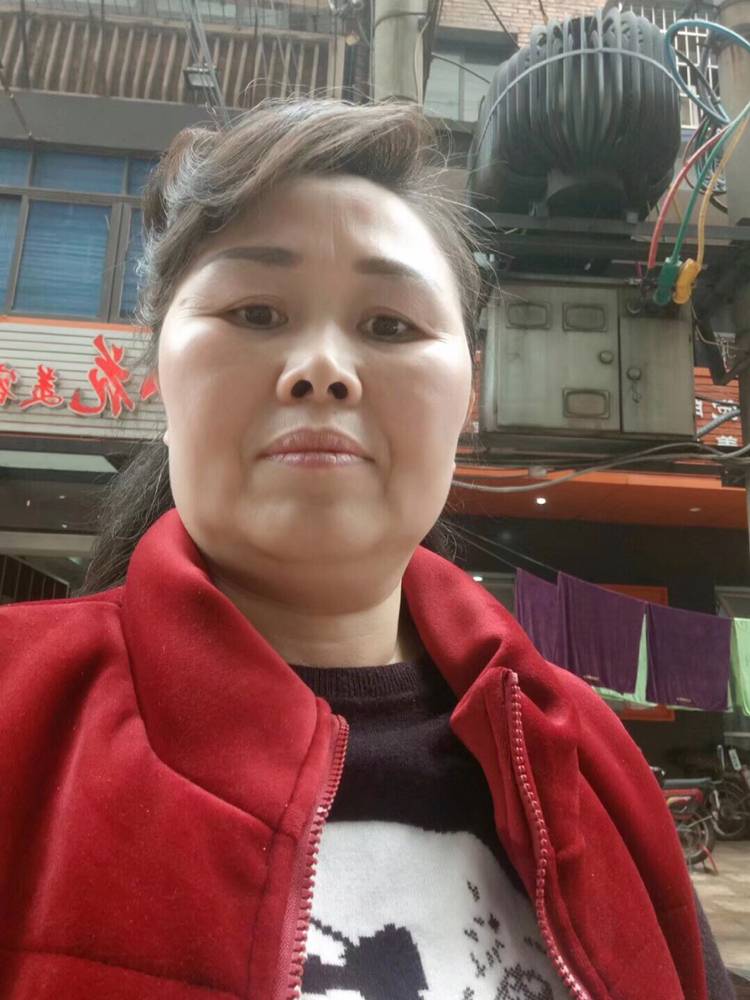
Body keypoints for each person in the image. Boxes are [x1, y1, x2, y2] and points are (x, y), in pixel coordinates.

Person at [0, 99, 735, 1000]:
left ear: (465, 400)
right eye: (256, 311)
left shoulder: (589, 760)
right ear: (160, 377)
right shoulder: (17, 715)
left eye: (389, 326)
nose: (322, 368)